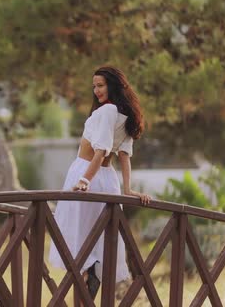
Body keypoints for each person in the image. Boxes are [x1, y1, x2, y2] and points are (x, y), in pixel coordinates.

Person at [48, 66, 151, 300]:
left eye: (101, 85)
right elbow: (123, 157)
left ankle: (87, 274)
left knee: (73, 234)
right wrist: (129, 190)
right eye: (94, 86)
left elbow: (100, 150)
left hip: (86, 172)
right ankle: (91, 272)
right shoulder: (127, 116)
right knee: (99, 237)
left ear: (113, 86)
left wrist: (84, 180)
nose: (96, 91)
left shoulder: (107, 111)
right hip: (108, 180)